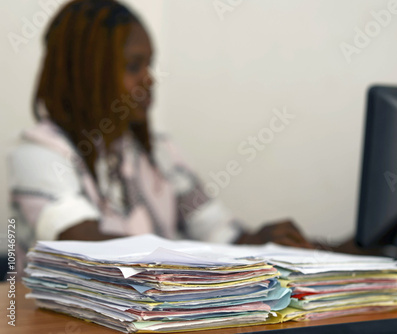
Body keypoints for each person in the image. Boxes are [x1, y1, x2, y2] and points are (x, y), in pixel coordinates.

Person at [8, 0, 312, 271]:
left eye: (149, 64)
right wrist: (204, 253)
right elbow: (85, 243)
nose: (150, 79)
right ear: (86, 72)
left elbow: (221, 233)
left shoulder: (160, 151)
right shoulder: (37, 153)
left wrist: (262, 241)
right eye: (133, 66)